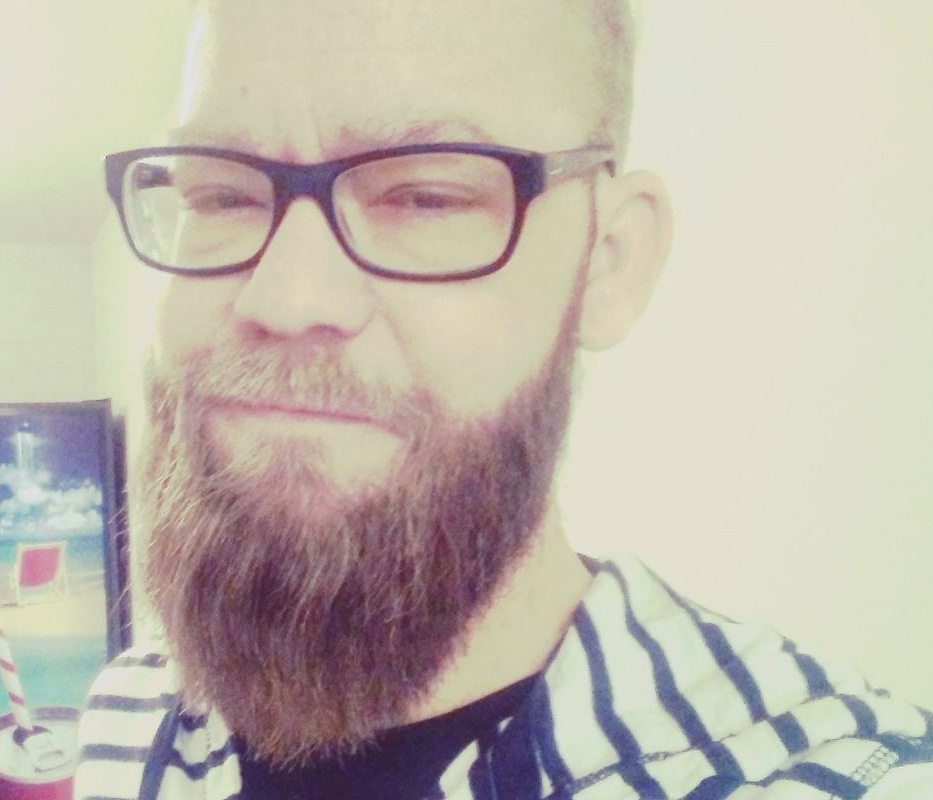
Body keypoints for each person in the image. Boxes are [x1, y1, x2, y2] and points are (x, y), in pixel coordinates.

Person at [75, 1, 933, 797]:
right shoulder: (125, 712)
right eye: (220, 195)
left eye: (427, 197)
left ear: (607, 261)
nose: (286, 297)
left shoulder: (841, 772)